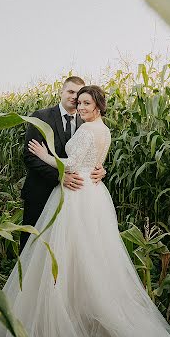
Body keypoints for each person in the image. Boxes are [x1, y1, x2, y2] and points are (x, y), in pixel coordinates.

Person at [0, 85, 170, 337]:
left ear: (97, 105)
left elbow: (74, 163)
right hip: (89, 193)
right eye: (77, 100)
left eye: (85, 102)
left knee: (69, 252)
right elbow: (90, 159)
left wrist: (46, 155)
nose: (79, 106)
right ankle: (76, 306)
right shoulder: (88, 126)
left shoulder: (89, 129)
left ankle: (68, 314)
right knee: (85, 253)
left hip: (77, 195)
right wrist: (94, 166)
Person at [19, 76, 105, 251]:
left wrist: (100, 169)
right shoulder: (41, 116)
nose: (75, 97)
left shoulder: (86, 120)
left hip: (74, 197)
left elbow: (89, 154)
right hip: (41, 191)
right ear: (61, 91)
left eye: (78, 93)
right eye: (70, 91)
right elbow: (30, 156)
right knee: (32, 244)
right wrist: (60, 177)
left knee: (65, 247)